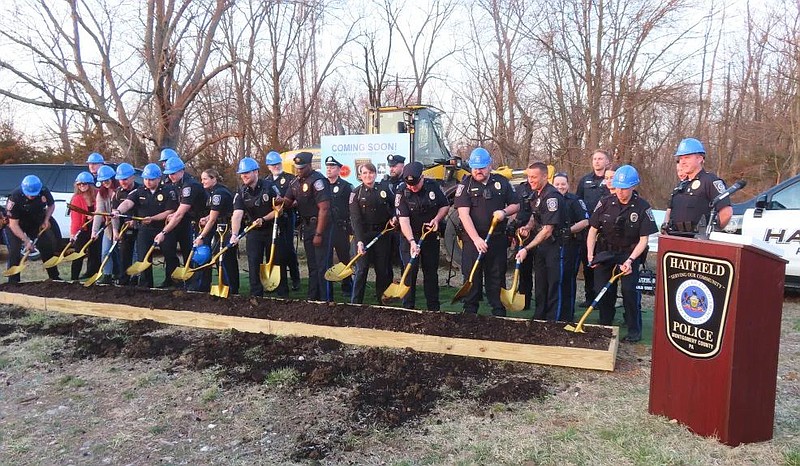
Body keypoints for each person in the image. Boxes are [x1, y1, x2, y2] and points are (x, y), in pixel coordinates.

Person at [586, 165, 657, 343]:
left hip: (629, 253)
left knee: (629, 291)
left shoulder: (642, 207)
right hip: (606, 251)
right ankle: (605, 323)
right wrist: (590, 255)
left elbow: (643, 240)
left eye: (624, 188)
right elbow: (593, 230)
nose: (620, 192)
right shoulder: (605, 202)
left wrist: (631, 260)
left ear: (633, 187)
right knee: (602, 289)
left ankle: (634, 330)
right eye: (617, 187)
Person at [454, 147, 519, 316]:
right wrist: (476, 239)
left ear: (489, 165)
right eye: (475, 168)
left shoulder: (501, 182)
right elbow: (463, 214)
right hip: (473, 241)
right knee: (472, 275)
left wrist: (504, 212)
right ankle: (470, 311)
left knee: (496, 275)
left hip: (496, 239)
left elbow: (516, 204)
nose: (478, 171)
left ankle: (498, 310)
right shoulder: (465, 185)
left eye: (481, 167)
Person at [514, 162, 567, 321]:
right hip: (541, 246)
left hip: (554, 246)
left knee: (553, 285)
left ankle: (552, 321)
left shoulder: (552, 197)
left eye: (534, 177)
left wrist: (526, 249)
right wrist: (528, 227)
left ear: (545, 176)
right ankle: (539, 317)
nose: (531, 180)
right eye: (529, 177)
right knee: (540, 283)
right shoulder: (537, 194)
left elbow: (547, 230)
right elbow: (535, 215)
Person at [395, 161, 449, 311]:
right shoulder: (401, 192)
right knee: (409, 272)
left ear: (422, 178)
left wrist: (437, 219)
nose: (412, 187)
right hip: (409, 238)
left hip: (430, 236)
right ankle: (408, 308)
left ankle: (433, 308)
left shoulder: (432, 186)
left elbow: (445, 205)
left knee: (431, 272)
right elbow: (403, 220)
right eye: (409, 185)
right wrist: (412, 241)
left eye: (415, 184)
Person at [114, 163, 178, 288]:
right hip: (145, 229)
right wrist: (118, 211)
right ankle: (146, 284)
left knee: (170, 255)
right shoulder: (139, 191)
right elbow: (128, 203)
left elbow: (170, 211)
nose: (148, 182)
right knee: (143, 256)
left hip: (164, 228)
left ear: (158, 179)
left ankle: (172, 282)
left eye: (151, 179)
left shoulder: (168, 191)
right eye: (146, 179)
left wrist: (153, 218)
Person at [283, 151, 333, 301]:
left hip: (320, 226)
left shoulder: (318, 181)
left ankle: (326, 299)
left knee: (322, 265)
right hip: (306, 226)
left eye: (302, 167)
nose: (299, 170)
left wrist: (319, 234)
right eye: (297, 167)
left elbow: (324, 208)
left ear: (310, 166)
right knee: (312, 266)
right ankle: (313, 298)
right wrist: (279, 200)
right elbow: (287, 201)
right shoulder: (294, 182)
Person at [231, 157, 283, 297]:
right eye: (242, 173)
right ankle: (256, 295)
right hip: (253, 231)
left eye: (247, 172)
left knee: (276, 261)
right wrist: (234, 235)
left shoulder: (269, 186)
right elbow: (237, 215)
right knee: (254, 262)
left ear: (256, 172)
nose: (244, 176)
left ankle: (282, 294)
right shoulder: (241, 192)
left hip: (271, 229)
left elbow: (279, 209)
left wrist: (264, 219)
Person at [155, 156, 207, 288]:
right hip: (192, 220)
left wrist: (164, 232)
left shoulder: (189, 185)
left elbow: (180, 213)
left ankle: (196, 285)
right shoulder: (177, 184)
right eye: (169, 174)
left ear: (181, 171)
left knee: (196, 253)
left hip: (203, 221)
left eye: (173, 173)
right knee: (188, 251)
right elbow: (178, 210)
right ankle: (182, 282)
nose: (171, 176)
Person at [349, 162, 394, 304]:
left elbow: (395, 206)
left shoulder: (384, 189)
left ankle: (382, 301)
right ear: (360, 176)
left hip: (382, 234)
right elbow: (355, 219)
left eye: (371, 173)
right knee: (362, 269)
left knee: (382, 270)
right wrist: (360, 241)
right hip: (363, 235)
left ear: (375, 174)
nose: (368, 176)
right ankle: (356, 303)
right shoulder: (355, 193)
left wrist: (394, 217)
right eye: (365, 173)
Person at [4, 175, 62, 282]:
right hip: (16, 224)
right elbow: (13, 224)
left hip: (35, 222)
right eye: (29, 195)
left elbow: (51, 205)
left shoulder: (43, 190)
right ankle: (13, 282)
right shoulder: (15, 197)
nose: (32, 197)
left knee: (46, 246)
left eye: (34, 195)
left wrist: (46, 219)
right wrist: (26, 241)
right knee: (15, 251)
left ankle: (54, 277)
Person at [668, 137, 733, 234]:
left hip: (698, 241)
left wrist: (711, 233)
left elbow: (726, 212)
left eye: (687, 157)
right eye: (681, 158)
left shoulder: (710, 181)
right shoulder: (681, 185)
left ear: (699, 158)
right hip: (675, 237)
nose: (682, 162)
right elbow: (670, 210)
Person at [575, 149, 610, 307]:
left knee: (603, 266)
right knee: (588, 263)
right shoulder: (585, 180)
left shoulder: (611, 179)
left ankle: (602, 300)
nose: (597, 161)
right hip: (587, 230)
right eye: (595, 158)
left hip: (605, 231)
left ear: (607, 162)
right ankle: (589, 298)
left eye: (600, 158)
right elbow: (578, 202)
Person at [553, 172, 589, 322]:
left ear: (568, 185)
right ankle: (553, 312)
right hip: (553, 245)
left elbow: (586, 221)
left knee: (567, 280)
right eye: (557, 184)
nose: (560, 187)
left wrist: (569, 230)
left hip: (571, 244)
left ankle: (567, 314)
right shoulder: (549, 199)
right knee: (554, 279)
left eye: (563, 184)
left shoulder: (575, 200)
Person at [194, 168, 238, 294]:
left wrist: (201, 236)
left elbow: (213, 220)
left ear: (214, 179)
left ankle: (230, 288)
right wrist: (206, 217)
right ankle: (230, 287)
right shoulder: (214, 192)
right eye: (202, 179)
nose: (202, 182)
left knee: (223, 257)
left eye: (205, 179)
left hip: (227, 227)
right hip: (222, 225)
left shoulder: (218, 193)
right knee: (222, 257)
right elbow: (215, 214)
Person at [265, 150, 301, 291]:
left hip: (287, 216)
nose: (276, 166)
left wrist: (288, 204)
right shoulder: (266, 181)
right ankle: (277, 279)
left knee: (288, 248)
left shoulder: (291, 178)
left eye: (278, 163)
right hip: (272, 218)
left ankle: (295, 277)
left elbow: (298, 198)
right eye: (272, 164)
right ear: (268, 166)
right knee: (274, 249)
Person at [325, 156, 354, 299]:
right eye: (327, 167)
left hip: (341, 228)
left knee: (344, 258)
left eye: (332, 167)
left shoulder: (346, 186)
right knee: (327, 258)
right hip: (326, 228)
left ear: (338, 169)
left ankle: (347, 285)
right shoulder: (322, 185)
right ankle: (327, 285)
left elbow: (351, 208)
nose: (329, 169)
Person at [69, 171, 102, 281]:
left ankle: (93, 275)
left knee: (95, 253)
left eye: (84, 184)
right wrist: (73, 234)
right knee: (79, 252)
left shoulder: (98, 195)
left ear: (90, 184)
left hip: (96, 228)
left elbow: (102, 210)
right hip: (83, 228)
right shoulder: (76, 199)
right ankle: (74, 278)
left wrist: (96, 217)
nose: (82, 186)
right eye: (79, 184)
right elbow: (75, 219)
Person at [113, 163, 140, 286]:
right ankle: (124, 280)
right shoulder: (118, 193)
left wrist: (135, 221)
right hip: (124, 229)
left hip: (139, 228)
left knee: (138, 254)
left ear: (132, 177)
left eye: (125, 179)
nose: (122, 182)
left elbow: (145, 210)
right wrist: (115, 230)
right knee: (124, 254)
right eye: (120, 179)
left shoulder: (140, 190)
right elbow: (114, 214)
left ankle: (137, 278)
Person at [91, 165, 119, 285]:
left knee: (120, 253)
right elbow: (99, 212)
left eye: (107, 180)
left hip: (122, 226)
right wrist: (94, 231)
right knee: (106, 251)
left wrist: (115, 229)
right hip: (108, 228)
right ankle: (107, 275)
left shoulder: (119, 191)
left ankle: (122, 275)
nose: (105, 183)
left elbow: (116, 212)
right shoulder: (101, 194)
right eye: (102, 181)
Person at [384, 154, 406, 274]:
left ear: (402, 166)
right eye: (390, 166)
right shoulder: (386, 182)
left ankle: (404, 284)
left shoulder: (407, 182)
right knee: (387, 257)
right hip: (389, 226)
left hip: (403, 226)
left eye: (394, 166)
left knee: (403, 256)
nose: (391, 169)